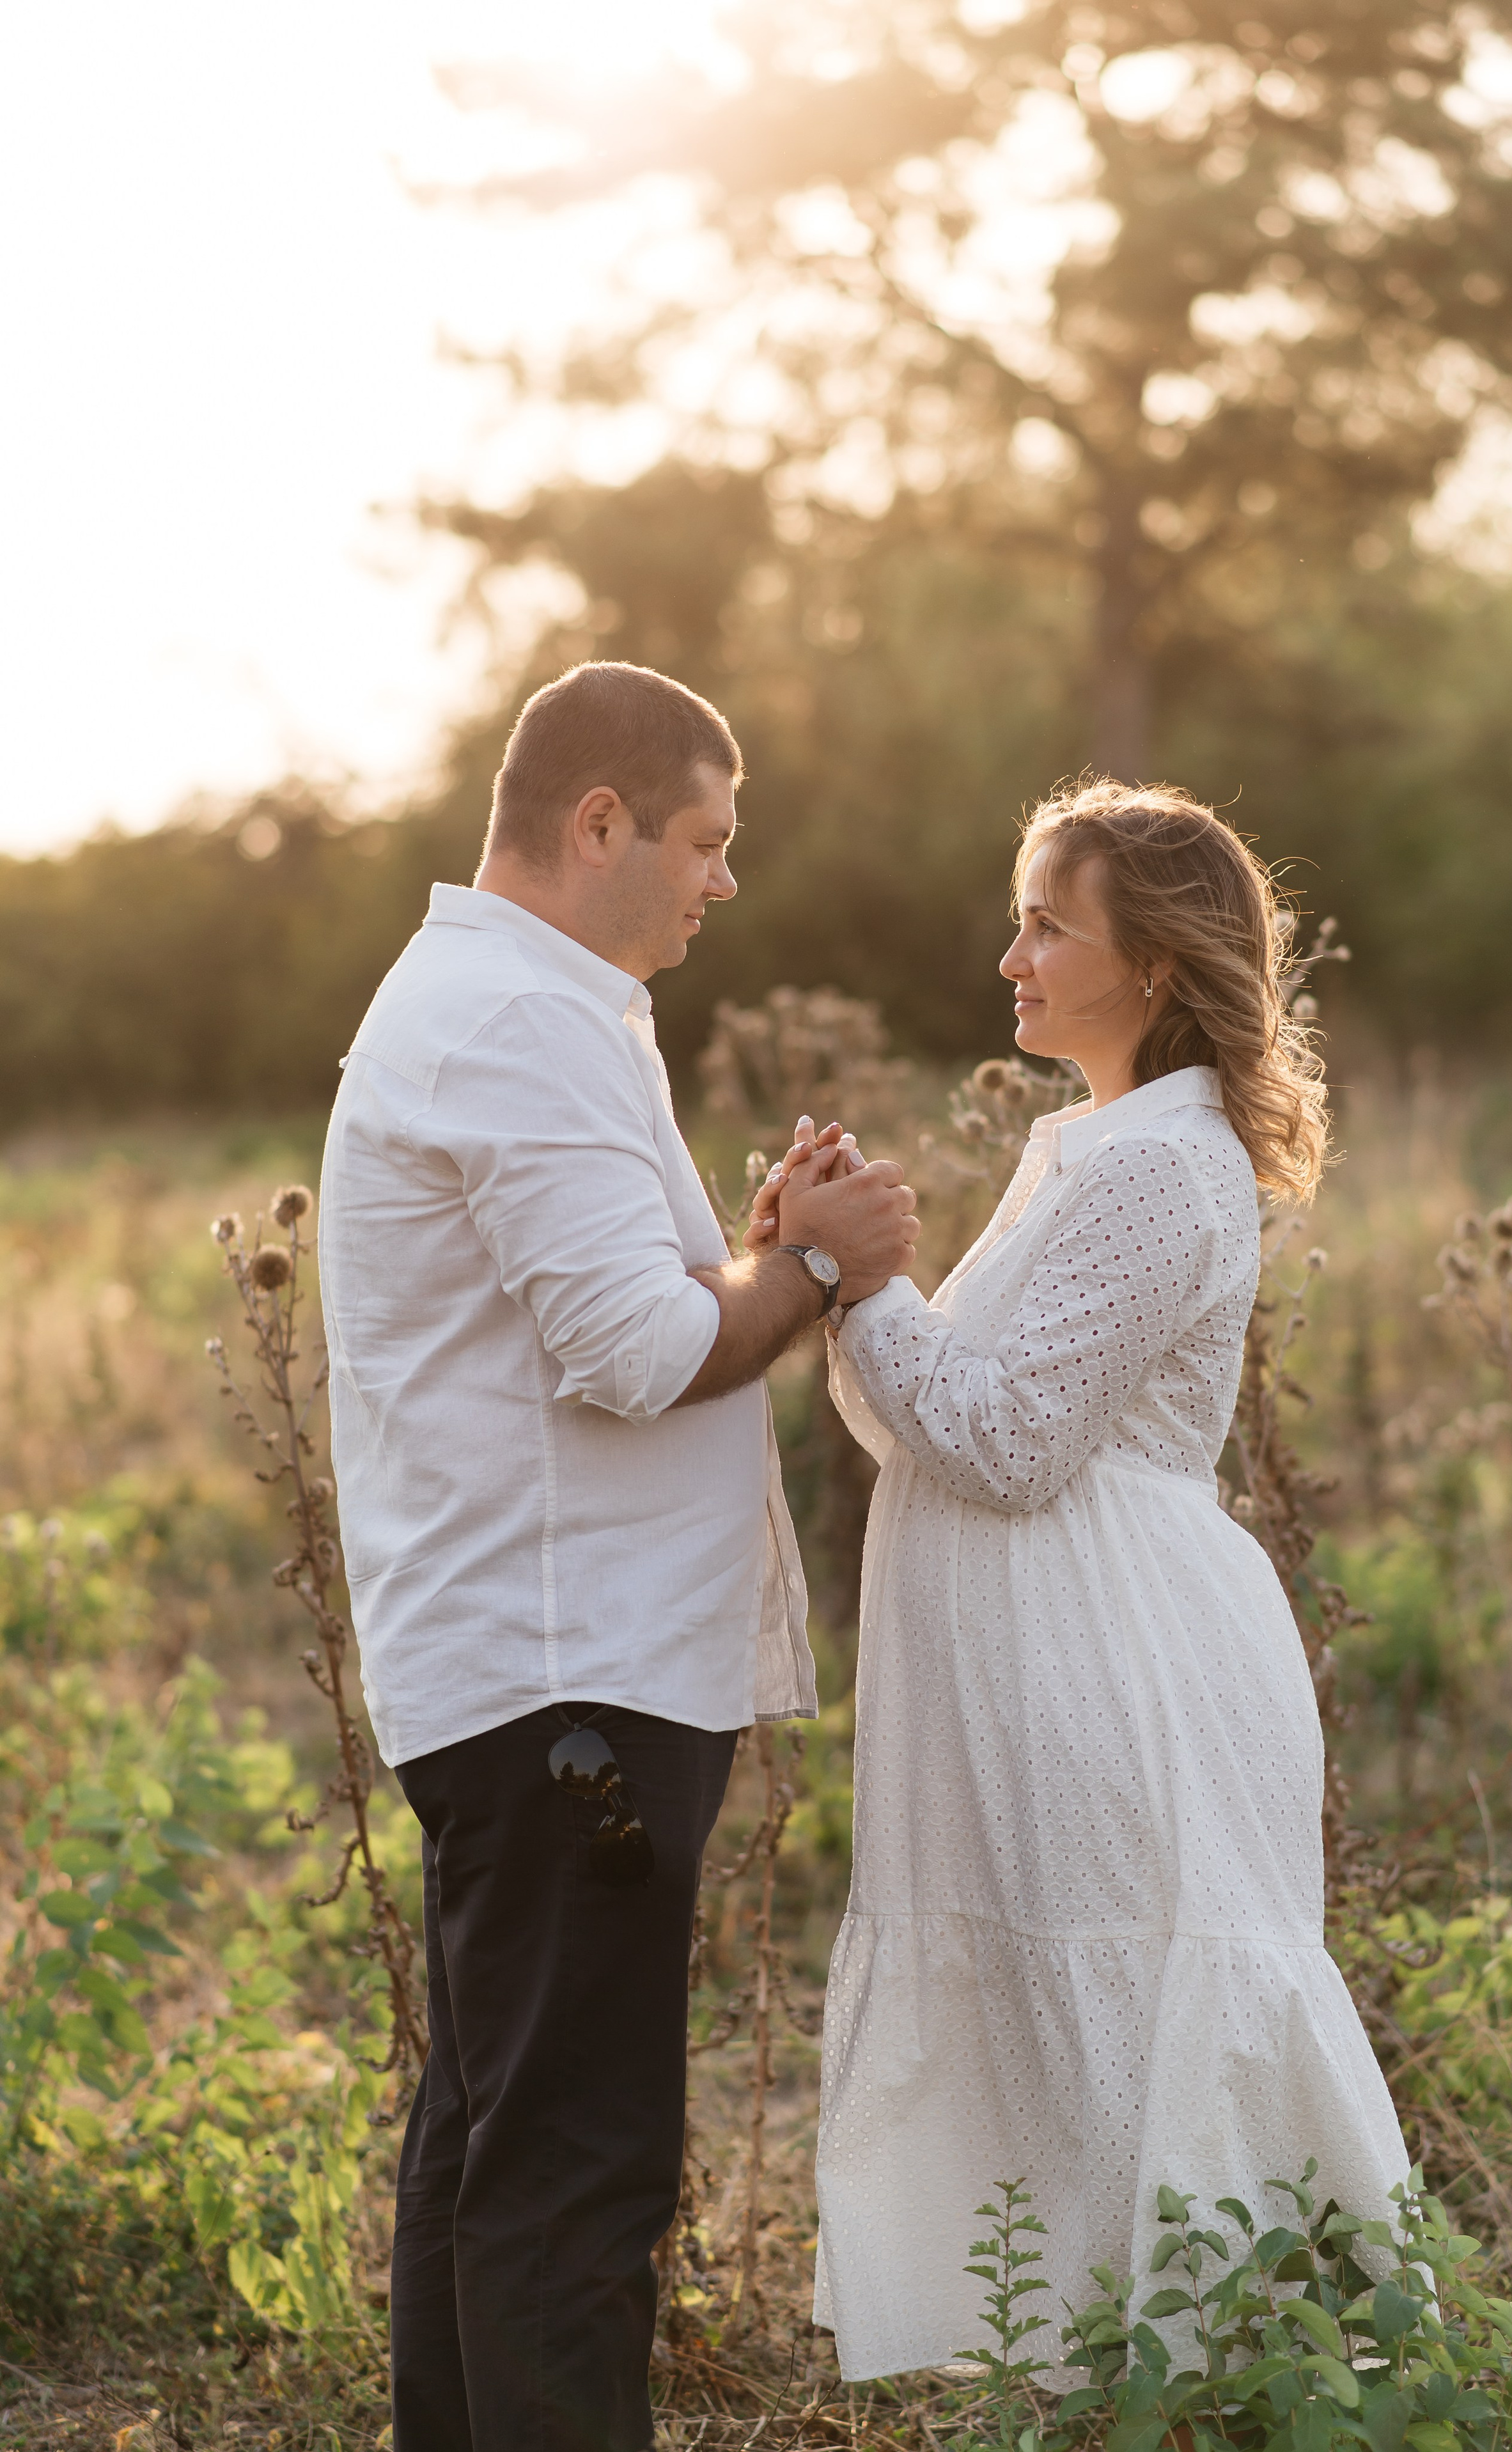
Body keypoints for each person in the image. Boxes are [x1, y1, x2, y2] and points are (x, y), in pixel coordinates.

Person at [316, 659, 919, 2452]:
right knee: (575, 2173)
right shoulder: (521, 1020)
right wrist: (815, 1267)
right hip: (566, 1679)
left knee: (494, 2139)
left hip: (521, 1664)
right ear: (598, 824)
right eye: (704, 841)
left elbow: (615, 1309)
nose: (722, 882)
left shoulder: (509, 1001)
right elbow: (647, 1354)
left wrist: (748, 1253)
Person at [753, 779, 1408, 2382]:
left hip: (1105, 1658)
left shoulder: (1156, 1167)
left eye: (1049, 923)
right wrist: (823, 1270)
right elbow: (914, 1414)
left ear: (1161, 966)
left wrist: (864, 1279)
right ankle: (1086, 2380)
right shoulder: (1086, 1146)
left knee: (1107, 2009)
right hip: (1026, 1653)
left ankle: (1208, 2381)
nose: (1010, 957)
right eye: (1020, 915)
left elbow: (1005, 1438)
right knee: (1046, 2028)